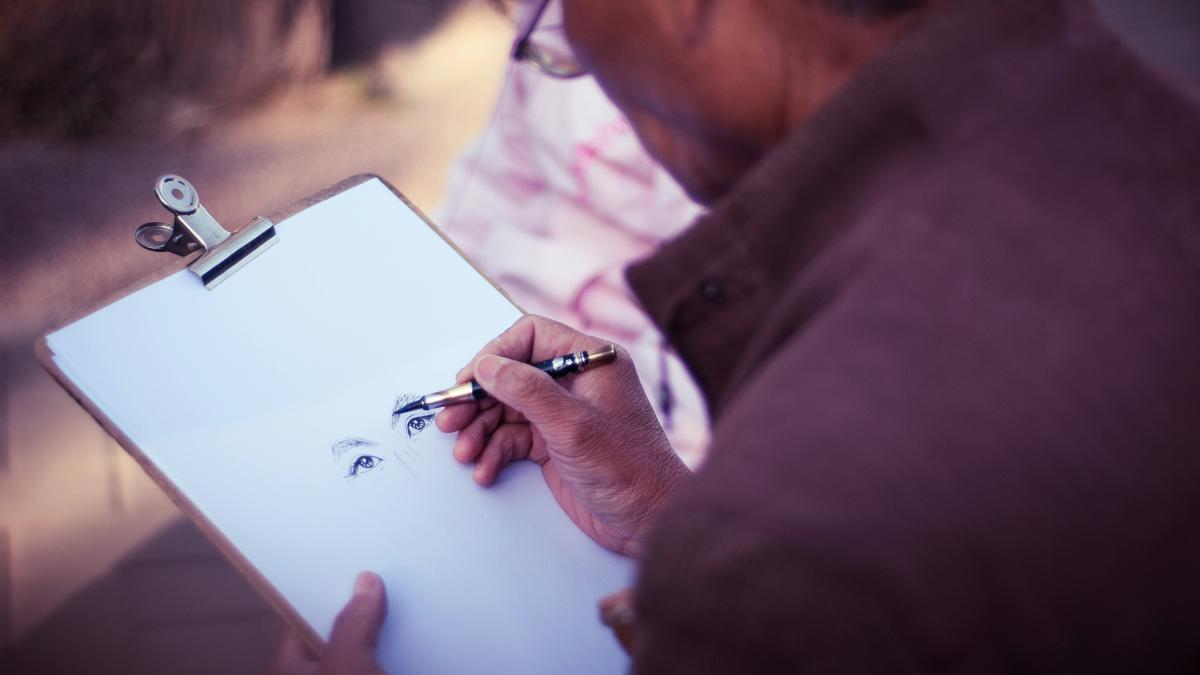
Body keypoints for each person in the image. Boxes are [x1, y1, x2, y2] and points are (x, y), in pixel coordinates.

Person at [278, 0, 1200, 671]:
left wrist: (727, 556)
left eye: (557, 25)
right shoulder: (1156, 117)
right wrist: (668, 505)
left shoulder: (795, 530)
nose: (574, 59)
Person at [435, 5, 709, 465]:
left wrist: (668, 471)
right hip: (506, 316)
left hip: (627, 378)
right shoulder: (543, 22)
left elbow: (711, 300)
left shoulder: (697, 78)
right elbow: (493, 177)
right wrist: (434, 275)